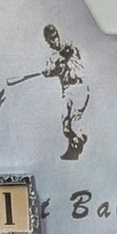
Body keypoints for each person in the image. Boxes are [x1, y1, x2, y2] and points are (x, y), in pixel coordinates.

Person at [39, 24, 89, 160]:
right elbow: (51, 70)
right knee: (66, 127)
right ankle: (75, 144)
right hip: (67, 91)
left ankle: (79, 141)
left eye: (54, 37)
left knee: (74, 122)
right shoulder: (52, 58)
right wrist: (48, 71)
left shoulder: (69, 46)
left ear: (58, 35)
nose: (53, 41)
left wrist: (59, 62)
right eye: (49, 39)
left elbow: (68, 54)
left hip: (79, 88)